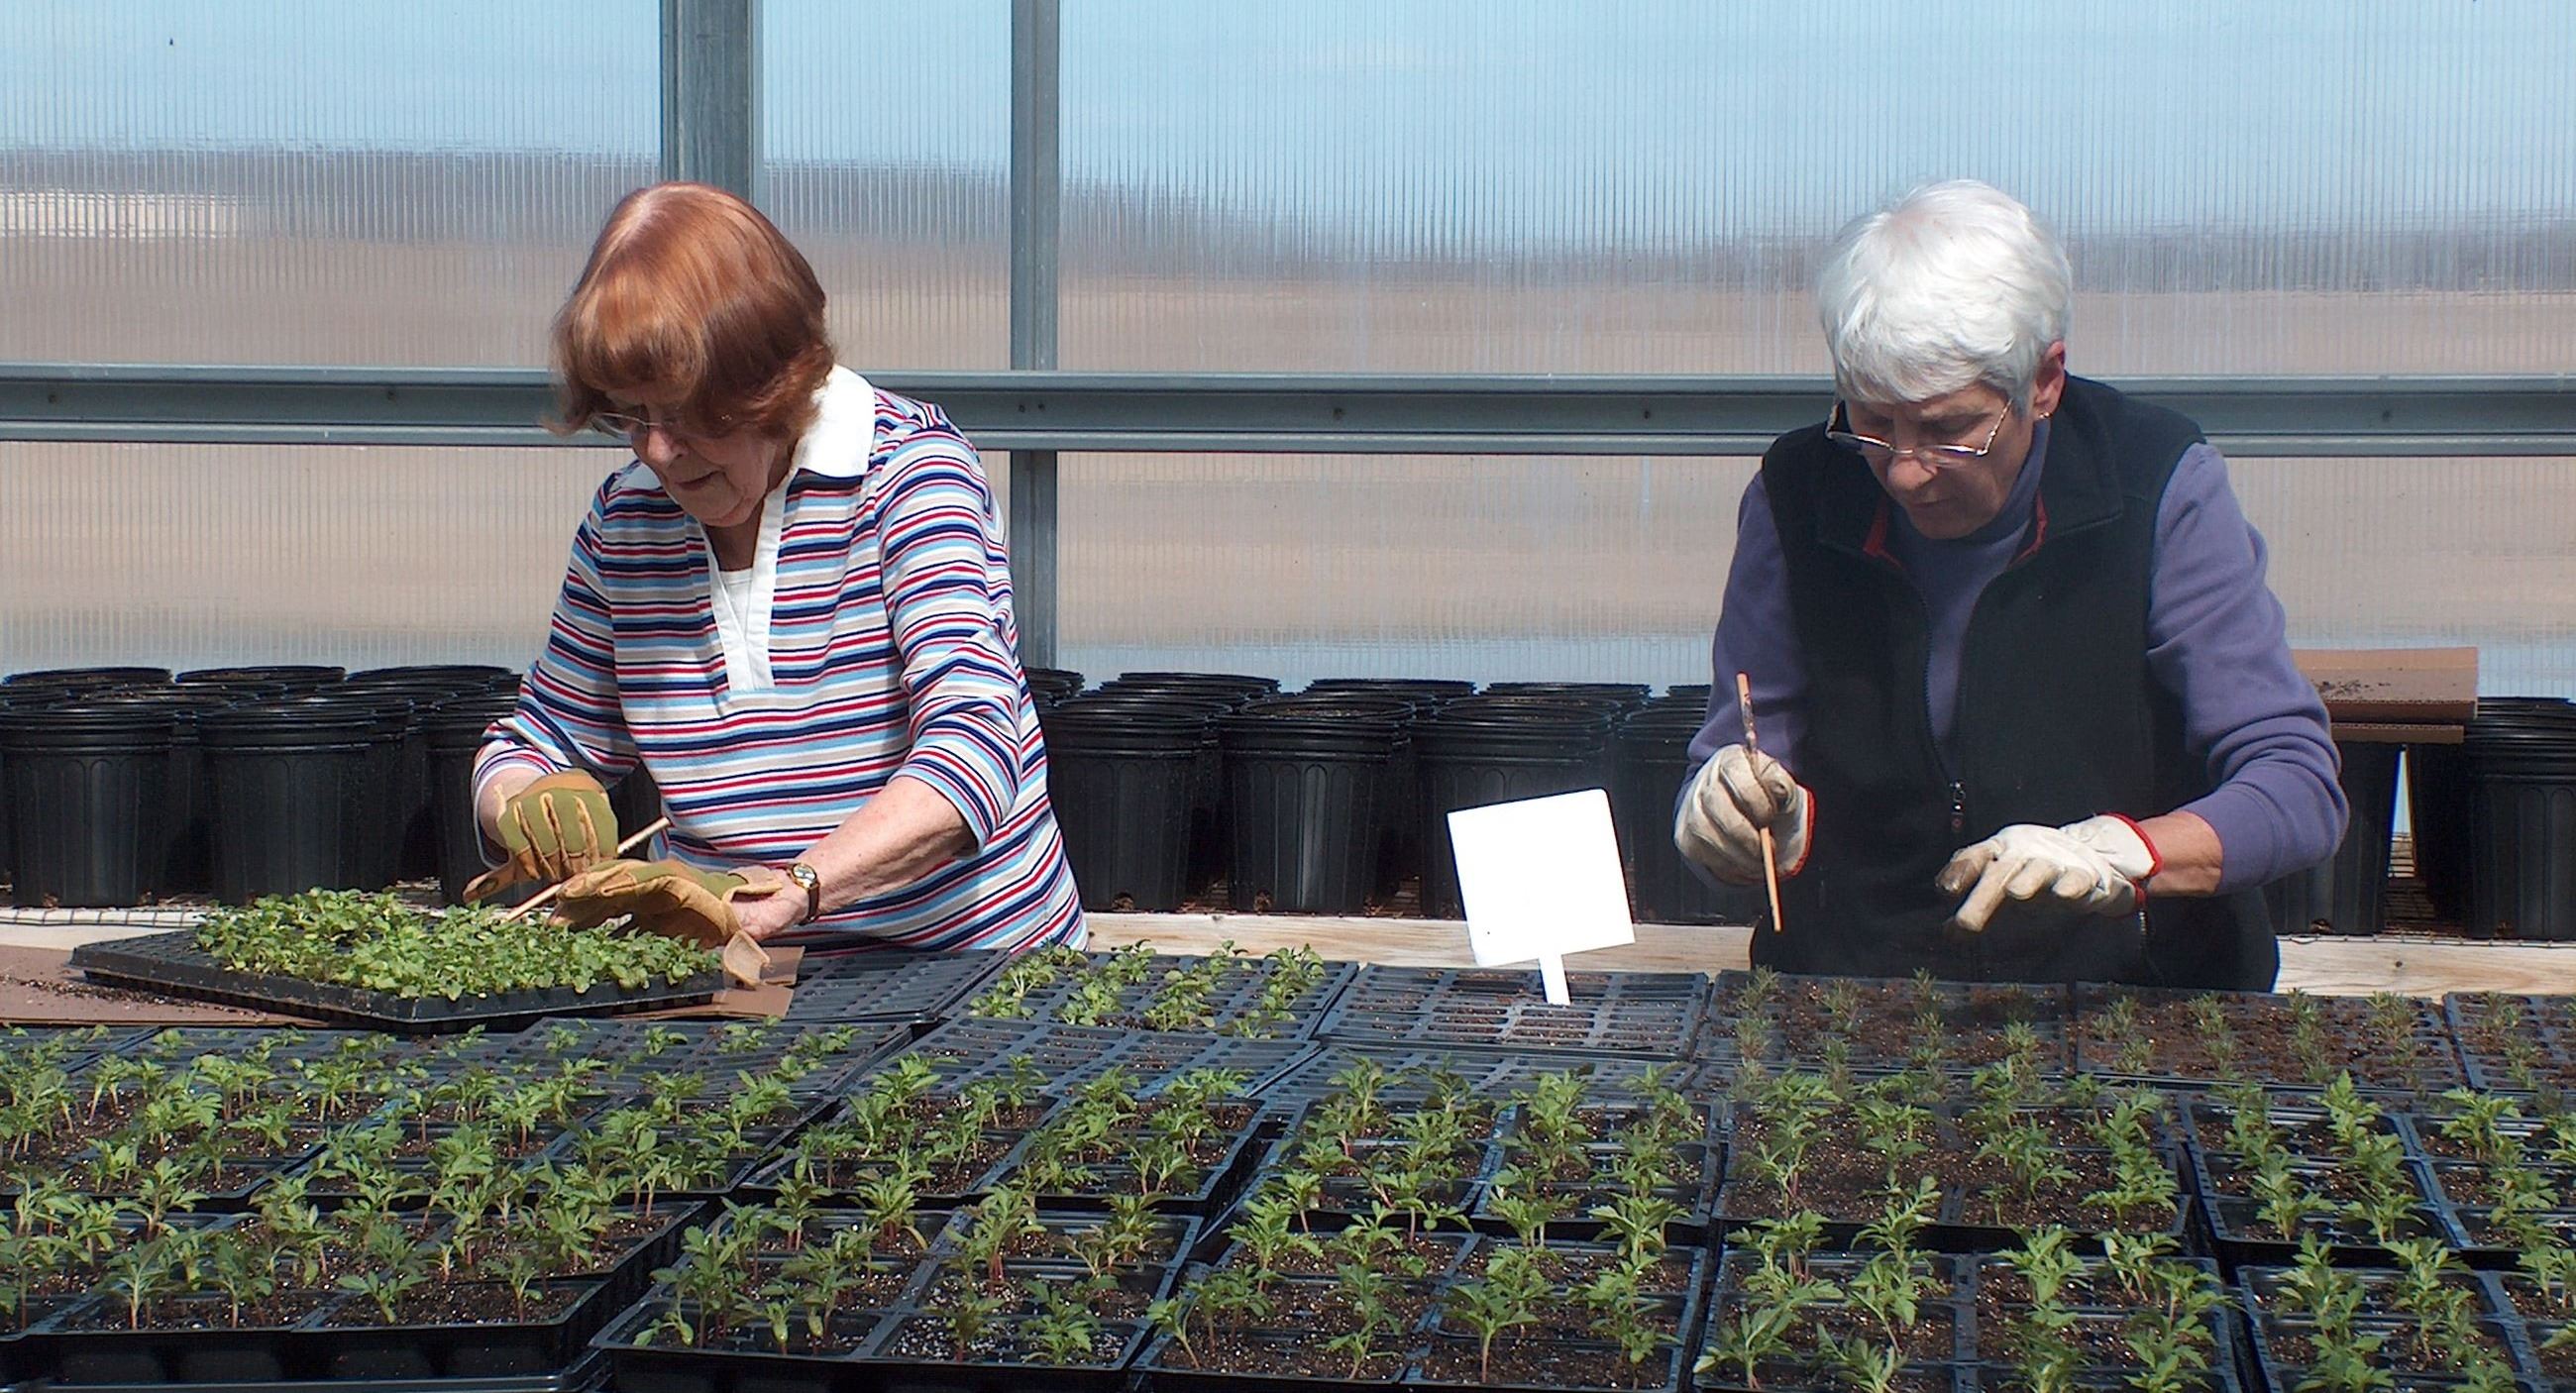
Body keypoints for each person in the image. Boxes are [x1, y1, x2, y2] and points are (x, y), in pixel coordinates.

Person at [1673, 180, 2343, 989]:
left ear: (2046, 380)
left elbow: (2297, 786)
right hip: (1862, 993)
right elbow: (1746, 747)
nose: (1908, 473)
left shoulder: (2153, 485)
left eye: (1952, 430)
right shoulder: (1799, 494)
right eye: (1875, 424)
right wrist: (1737, 816)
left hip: (2133, 996)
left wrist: (2129, 852)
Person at [469, 181, 1084, 953]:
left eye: (690, 414)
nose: (657, 451)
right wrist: (519, 799)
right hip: (734, 970)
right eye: (632, 414)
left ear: (772, 386)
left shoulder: (908, 477)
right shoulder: (626, 522)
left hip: (968, 964)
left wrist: (802, 887)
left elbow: (975, 747)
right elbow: (542, 738)